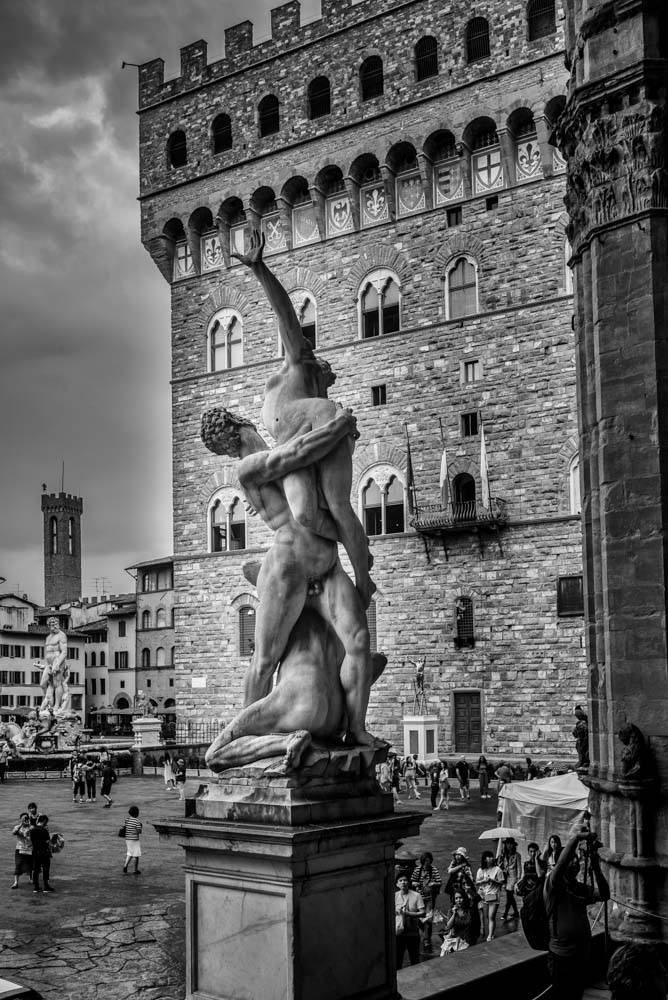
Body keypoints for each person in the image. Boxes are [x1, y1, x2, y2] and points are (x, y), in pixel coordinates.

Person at [201, 404, 379, 751]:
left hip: (327, 566)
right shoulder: (250, 466)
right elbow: (298, 451)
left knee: (359, 641)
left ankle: (356, 728)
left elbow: (300, 461)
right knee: (265, 659)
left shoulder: (270, 463)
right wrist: (339, 425)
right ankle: (245, 738)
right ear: (240, 424)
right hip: (288, 568)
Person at [232, 230, 374, 610]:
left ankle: (364, 579)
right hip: (299, 439)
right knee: (306, 515)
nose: (327, 378)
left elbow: (285, 315)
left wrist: (259, 270)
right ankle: (357, 549)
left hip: (319, 427)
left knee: (338, 507)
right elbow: (287, 452)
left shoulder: (300, 364)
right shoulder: (297, 379)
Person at [544, 830, 610, 1000]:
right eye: (571, 859)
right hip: (561, 954)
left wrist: (596, 866)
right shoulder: (553, 885)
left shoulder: (578, 888)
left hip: (580, 953)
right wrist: (577, 837)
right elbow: (561, 863)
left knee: (576, 994)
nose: (575, 862)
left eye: (576, 859)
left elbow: (604, 894)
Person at [35, 617, 70, 717]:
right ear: (49, 626)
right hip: (49, 663)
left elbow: (64, 652)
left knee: (57, 684)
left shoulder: (62, 635)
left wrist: (58, 664)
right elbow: (48, 653)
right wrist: (44, 665)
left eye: (55, 624)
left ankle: (56, 706)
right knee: (43, 684)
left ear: (58, 624)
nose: (54, 626)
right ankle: (49, 701)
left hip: (58, 661)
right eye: (52, 624)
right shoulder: (48, 637)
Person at [411, 851, 442, 952]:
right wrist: (416, 884)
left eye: (429, 861)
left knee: (428, 919)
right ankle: (425, 933)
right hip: (419, 898)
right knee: (420, 919)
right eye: (425, 861)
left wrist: (434, 884)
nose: (427, 863)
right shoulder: (417, 870)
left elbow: (439, 882)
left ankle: (426, 939)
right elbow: (412, 881)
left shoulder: (434, 870)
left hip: (430, 898)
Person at [395, 874, 425, 968]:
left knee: (414, 959)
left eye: (405, 880)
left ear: (408, 882)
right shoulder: (394, 896)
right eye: (400, 881)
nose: (403, 882)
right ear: (397, 884)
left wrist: (408, 914)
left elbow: (423, 913)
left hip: (413, 933)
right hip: (398, 933)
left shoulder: (416, 895)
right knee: (397, 960)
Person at [475, 850, 505, 941]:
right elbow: (477, 882)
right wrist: (484, 881)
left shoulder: (498, 870)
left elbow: (501, 882)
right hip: (484, 895)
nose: (491, 858)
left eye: (491, 857)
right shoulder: (481, 870)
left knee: (491, 915)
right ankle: (489, 932)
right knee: (487, 916)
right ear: (485, 859)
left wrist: (492, 880)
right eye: (489, 857)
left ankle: (490, 935)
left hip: (494, 894)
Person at [440, 889, 475, 954]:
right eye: (456, 898)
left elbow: (471, 925)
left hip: (466, 941)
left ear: (464, 898)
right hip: (453, 943)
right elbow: (448, 926)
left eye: (460, 898)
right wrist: (454, 914)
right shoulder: (451, 911)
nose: (458, 900)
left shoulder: (469, 911)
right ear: (454, 900)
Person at [498, 837, 521, 922]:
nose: (509, 846)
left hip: (513, 877)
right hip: (505, 877)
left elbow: (519, 867)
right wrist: (500, 858)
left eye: (511, 844)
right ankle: (516, 912)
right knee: (510, 896)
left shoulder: (517, 855)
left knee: (509, 895)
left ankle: (505, 913)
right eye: (508, 844)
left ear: (513, 845)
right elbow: (499, 865)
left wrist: (518, 879)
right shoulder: (503, 854)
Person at [30, 813, 53, 893]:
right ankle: (46, 886)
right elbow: (47, 842)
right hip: (44, 852)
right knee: (46, 869)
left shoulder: (32, 830)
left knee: (36, 869)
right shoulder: (44, 830)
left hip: (35, 852)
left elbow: (32, 841)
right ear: (44, 821)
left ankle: (36, 887)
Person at [11, 812, 33, 888]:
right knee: (18, 864)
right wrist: (21, 824)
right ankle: (16, 882)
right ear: (20, 819)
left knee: (30, 864)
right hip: (19, 848)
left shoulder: (31, 827)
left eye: (26, 818)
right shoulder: (17, 827)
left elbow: (32, 838)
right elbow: (14, 832)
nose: (25, 819)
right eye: (23, 818)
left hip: (29, 848)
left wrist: (27, 832)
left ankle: (30, 879)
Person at [122, 805, 143, 875]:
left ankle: (125, 865)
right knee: (136, 855)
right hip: (134, 840)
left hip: (127, 839)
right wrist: (140, 828)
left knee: (130, 853)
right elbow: (139, 831)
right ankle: (135, 870)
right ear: (136, 813)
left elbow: (125, 827)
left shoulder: (127, 820)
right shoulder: (137, 821)